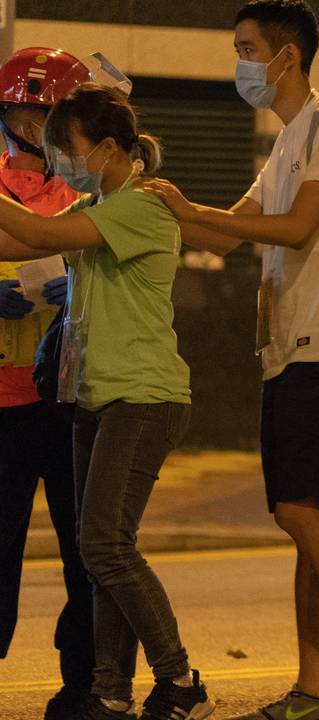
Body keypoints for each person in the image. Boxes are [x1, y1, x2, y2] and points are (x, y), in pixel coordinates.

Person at [140, 2, 319, 719]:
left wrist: (191, 212)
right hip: (291, 345)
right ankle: (315, 688)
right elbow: (234, 233)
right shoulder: (289, 139)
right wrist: (169, 205)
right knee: (310, 521)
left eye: (245, 48)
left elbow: (296, 228)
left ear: (286, 56)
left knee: (298, 512)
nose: (239, 63)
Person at [0, 82, 210, 720]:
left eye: (68, 147)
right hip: (94, 394)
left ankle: (179, 681)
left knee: (104, 547)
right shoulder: (100, 200)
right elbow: (28, 242)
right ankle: (111, 690)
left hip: (142, 396)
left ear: (111, 148)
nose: (59, 158)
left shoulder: (140, 206)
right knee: (102, 551)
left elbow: (35, 228)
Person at [0, 46, 93, 720]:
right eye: (25, 111)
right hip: (1, 404)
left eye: (49, 113)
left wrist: (82, 290)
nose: (35, 124)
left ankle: (84, 685)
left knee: (85, 558)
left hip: (69, 404)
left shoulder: (93, 196)